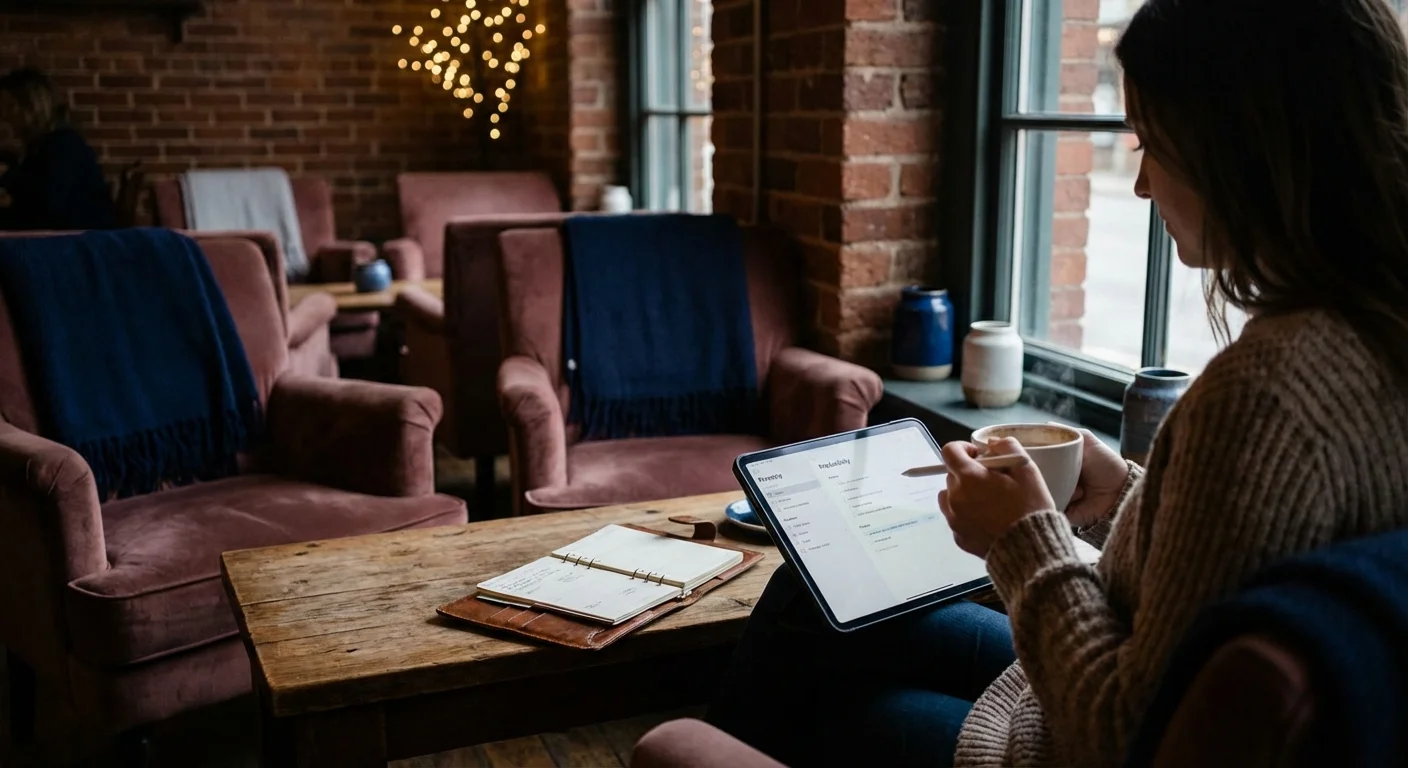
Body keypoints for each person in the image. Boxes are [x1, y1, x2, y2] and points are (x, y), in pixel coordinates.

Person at [708, 0, 1408, 765]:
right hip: (1083, 689)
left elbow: (1122, 735)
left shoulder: (1266, 395)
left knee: (839, 706)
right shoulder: (1371, 333)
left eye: (1153, 144)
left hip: (1069, 736)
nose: (1140, 186)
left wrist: (1021, 540)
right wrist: (1129, 496)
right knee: (810, 600)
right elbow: (1248, 557)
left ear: (1243, 151)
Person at [0, 67, 115, 231]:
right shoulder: (45, 144)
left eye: (10, 106)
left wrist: (7, 174)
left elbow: (48, 206)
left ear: (32, 107)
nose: (5, 115)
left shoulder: (63, 145)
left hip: (79, 241)